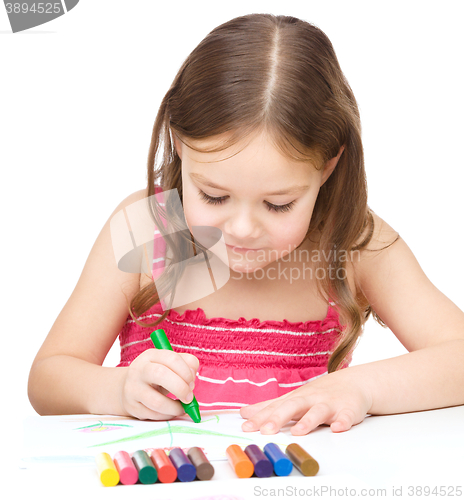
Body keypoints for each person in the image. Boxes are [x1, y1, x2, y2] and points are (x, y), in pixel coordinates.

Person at [28, 13, 464, 436]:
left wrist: (361, 388)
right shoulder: (149, 230)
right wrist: (118, 390)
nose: (240, 228)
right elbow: (47, 378)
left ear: (329, 166)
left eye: (277, 204)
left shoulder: (352, 244)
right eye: (214, 196)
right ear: (181, 145)